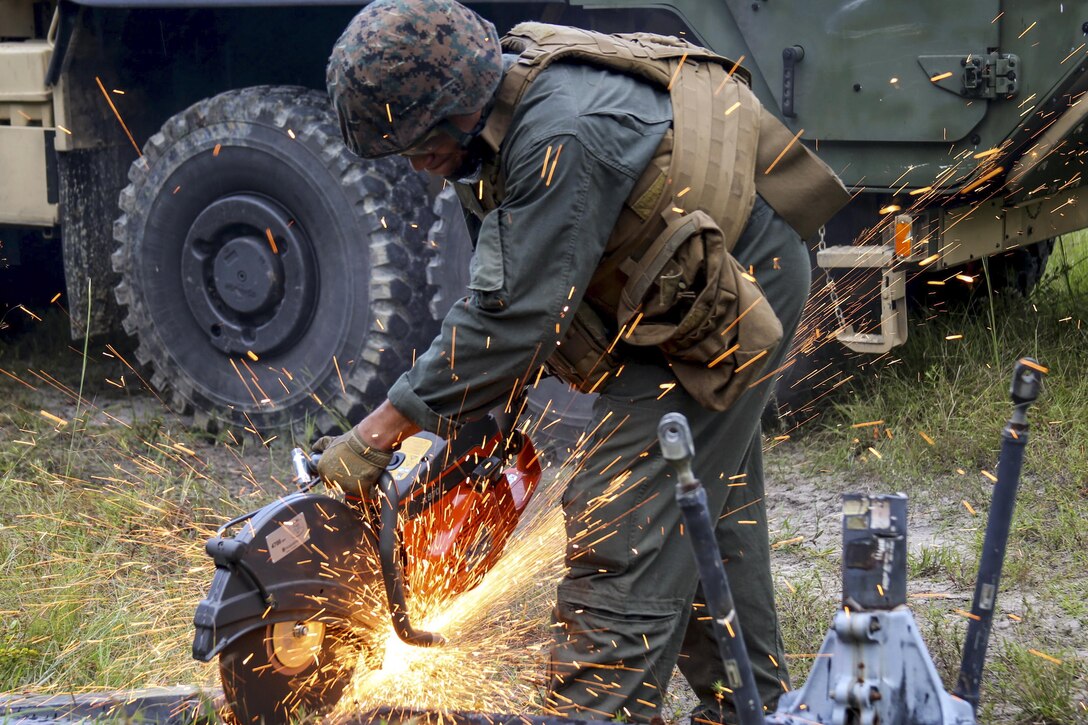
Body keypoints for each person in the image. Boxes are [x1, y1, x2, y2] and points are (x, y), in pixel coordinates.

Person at [321, 1, 849, 721]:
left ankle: (594, 711)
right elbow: (509, 278)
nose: (417, 164)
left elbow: (515, 317)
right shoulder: (489, 124)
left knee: (624, 515)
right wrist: (476, 419)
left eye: (418, 145)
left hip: (729, 291)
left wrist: (381, 430)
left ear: (458, 103)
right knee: (698, 510)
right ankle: (748, 705)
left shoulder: (563, 132)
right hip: (662, 294)